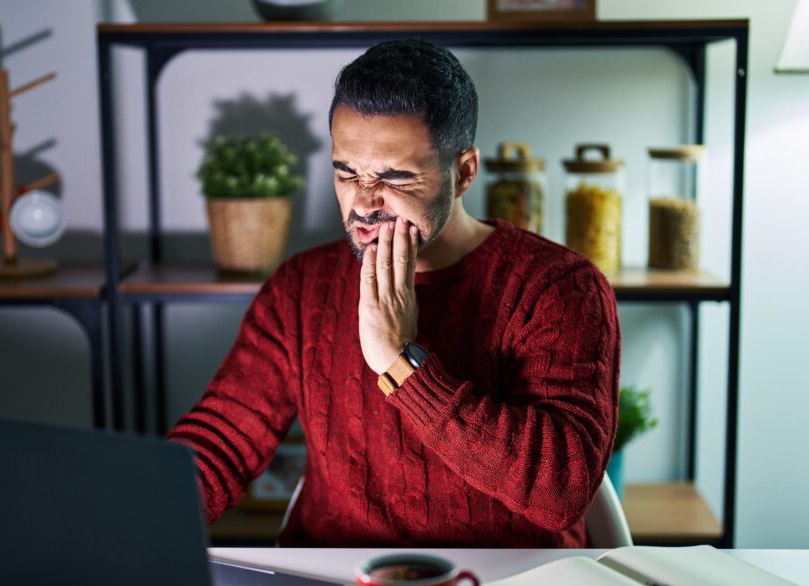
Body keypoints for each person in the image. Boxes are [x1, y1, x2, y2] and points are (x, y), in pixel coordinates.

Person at [169, 38, 620, 547]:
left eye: (395, 178)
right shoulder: (300, 289)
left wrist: (403, 364)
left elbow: (562, 492)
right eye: (345, 172)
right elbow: (220, 443)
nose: (363, 203)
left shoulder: (559, 288)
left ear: (464, 171)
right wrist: (135, 522)